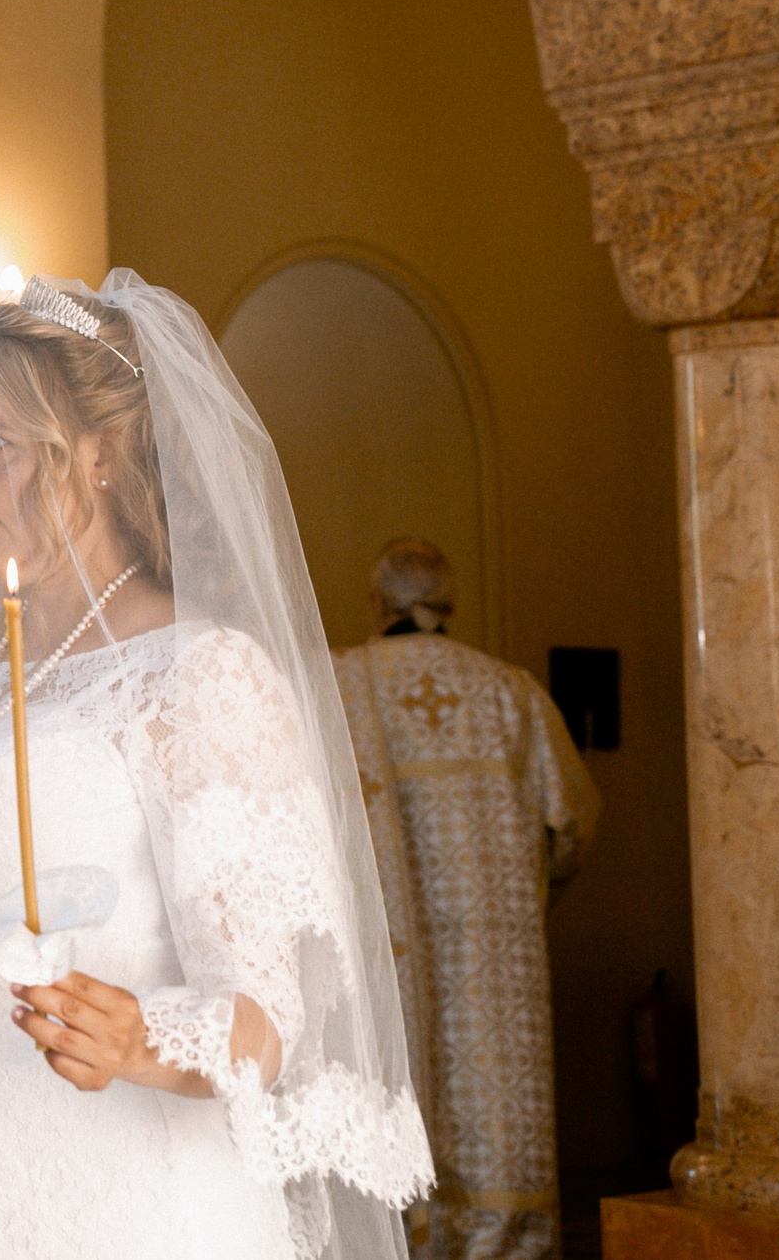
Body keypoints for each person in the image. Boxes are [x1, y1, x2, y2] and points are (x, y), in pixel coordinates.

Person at [0, 273, 433, 1260]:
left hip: (105, 1200)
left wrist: (139, 1036)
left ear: (98, 452)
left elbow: (266, 1013)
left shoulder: (199, 673)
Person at [335, 540, 599, 1260]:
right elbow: (571, 819)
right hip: (497, 964)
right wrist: (531, 894)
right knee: (493, 1112)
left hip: (386, 963)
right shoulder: (507, 693)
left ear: (376, 602)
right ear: (447, 602)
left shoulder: (339, 687)